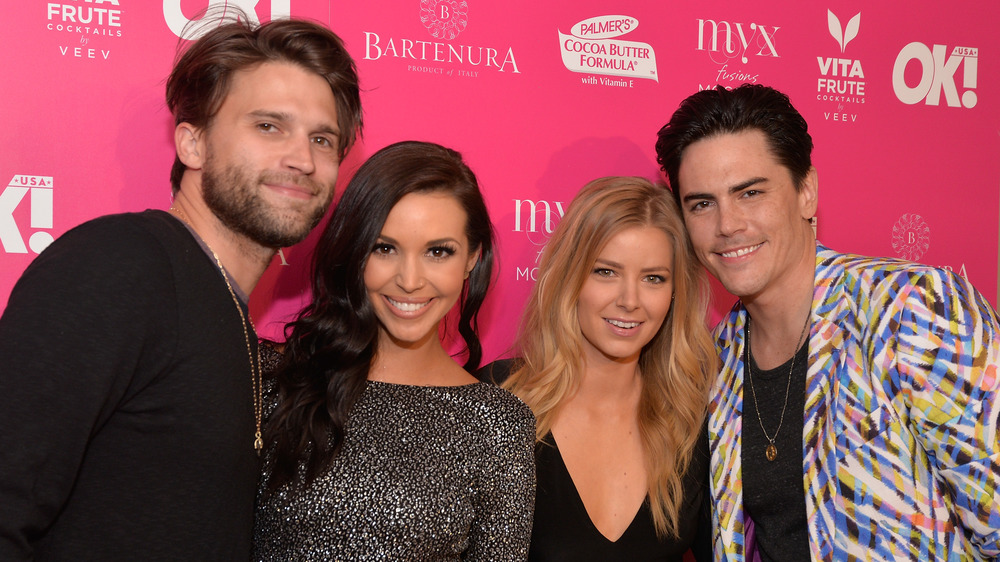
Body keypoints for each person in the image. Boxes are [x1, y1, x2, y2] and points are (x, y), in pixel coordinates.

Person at [0, 17, 361, 560]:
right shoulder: (120, 266)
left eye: (322, 139)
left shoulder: (228, 309)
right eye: (268, 126)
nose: (302, 159)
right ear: (192, 142)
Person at [655, 83, 1000, 560]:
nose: (727, 224)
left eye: (750, 192)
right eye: (701, 203)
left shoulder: (912, 307)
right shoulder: (717, 356)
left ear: (806, 192)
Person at [253, 141, 536, 561]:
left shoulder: (498, 425)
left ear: (473, 258)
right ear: (355, 252)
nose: (409, 279)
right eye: (384, 248)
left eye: (438, 252)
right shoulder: (274, 381)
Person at [487, 177, 716, 560]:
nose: (630, 300)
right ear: (570, 276)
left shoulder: (693, 422)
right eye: (606, 272)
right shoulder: (496, 399)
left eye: (653, 278)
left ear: (675, 292)